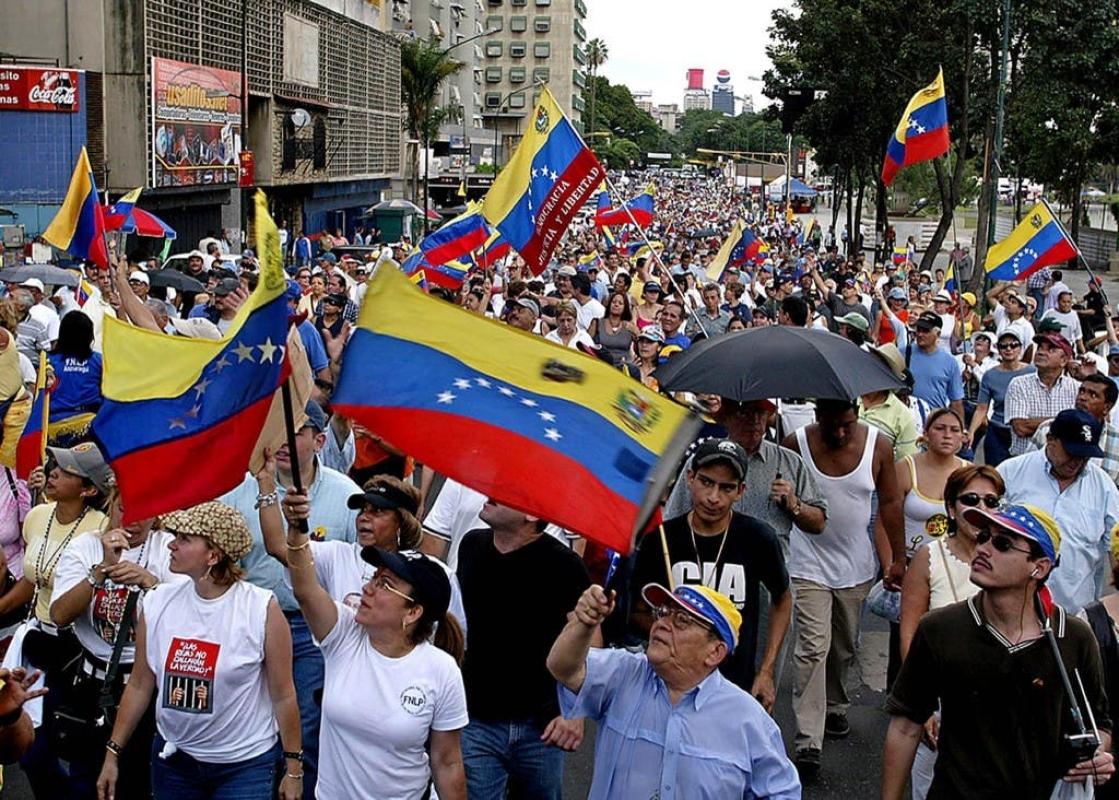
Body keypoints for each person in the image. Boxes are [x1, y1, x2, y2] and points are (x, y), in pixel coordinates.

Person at [882, 503, 1115, 800]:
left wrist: (1096, 757)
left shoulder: (1073, 637)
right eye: (983, 537)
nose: (983, 548)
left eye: (1002, 544)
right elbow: (905, 726)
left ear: (1039, 567)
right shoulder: (940, 628)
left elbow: (1099, 723)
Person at [96, 501, 302, 800]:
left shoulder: (260, 608)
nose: (171, 545)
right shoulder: (157, 602)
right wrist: (112, 754)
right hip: (174, 761)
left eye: (184, 539)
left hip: (244, 766)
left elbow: (283, 694)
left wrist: (294, 769)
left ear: (213, 555)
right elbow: (140, 684)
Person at [547, 582, 801, 799]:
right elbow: (563, 668)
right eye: (663, 613)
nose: (662, 624)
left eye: (681, 620)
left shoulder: (748, 719)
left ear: (715, 652)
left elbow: (782, 792)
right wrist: (584, 623)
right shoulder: (624, 674)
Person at [221, 399, 361, 795]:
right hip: (249, 623)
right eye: (279, 430)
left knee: (304, 725)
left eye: (297, 431)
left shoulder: (347, 497)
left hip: (311, 632)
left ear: (319, 441)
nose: (283, 440)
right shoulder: (238, 490)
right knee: (247, 721)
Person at [286, 522, 468, 799]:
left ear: (413, 613)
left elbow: (447, 762)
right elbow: (305, 590)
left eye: (384, 584)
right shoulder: (344, 634)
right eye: (374, 577)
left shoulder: (441, 670)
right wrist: (297, 526)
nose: (367, 588)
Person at [783, 398, 904, 777]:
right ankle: (808, 740)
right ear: (817, 417)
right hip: (807, 562)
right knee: (811, 648)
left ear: (857, 416)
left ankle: (835, 703)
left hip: (855, 565)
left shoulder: (878, 446)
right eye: (831, 424)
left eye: (847, 425)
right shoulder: (796, 443)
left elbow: (890, 503)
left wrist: (897, 558)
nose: (838, 433)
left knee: (844, 645)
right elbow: (781, 498)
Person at [631, 439, 792, 708]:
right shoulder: (661, 540)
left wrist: (766, 670)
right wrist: (677, 635)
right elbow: (638, 611)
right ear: (690, 478)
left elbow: (783, 598)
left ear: (740, 491)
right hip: (669, 685)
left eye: (726, 487)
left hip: (734, 688)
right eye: (706, 482)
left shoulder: (758, 538)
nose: (714, 497)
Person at [49, 485, 183, 798]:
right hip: (92, 684)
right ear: (111, 504)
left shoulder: (168, 548)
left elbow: (188, 620)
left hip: (147, 685)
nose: (132, 520)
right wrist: (99, 573)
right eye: (124, 508)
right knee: (87, 780)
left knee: (140, 782)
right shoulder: (85, 546)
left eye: (143, 511)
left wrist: (150, 583)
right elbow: (59, 615)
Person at [455, 499, 589, 799]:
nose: (490, 494)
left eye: (506, 493)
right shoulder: (471, 546)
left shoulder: (565, 566)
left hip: (542, 727)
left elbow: (591, 647)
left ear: (532, 514)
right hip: (477, 719)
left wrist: (577, 710)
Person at [898, 464, 1004, 799]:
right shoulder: (929, 558)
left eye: (991, 501)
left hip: (997, 708)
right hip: (941, 703)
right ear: (951, 507)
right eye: (971, 500)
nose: (981, 508)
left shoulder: (1011, 560)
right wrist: (922, 704)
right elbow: (910, 634)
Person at [876, 408, 968, 686]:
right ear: (925, 435)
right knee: (906, 636)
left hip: (952, 569)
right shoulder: (905, 468)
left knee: (950, 635)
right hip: (909, 568)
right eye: (940, 428)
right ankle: (901, 696)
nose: (947, 435)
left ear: (963, 438)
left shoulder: (969, 473)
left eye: (954, 430)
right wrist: (890, 564)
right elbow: (883, 520)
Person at [998, 408, 1119, 612]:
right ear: (1050, 440)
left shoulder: (1104, 488)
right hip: (1009, 607)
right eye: (1071, 452)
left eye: (1085, 455)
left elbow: (1115, 548)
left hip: (1073, 614)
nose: (1077, 461)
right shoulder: (1010, 473)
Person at [1004, 332, 1080, 456]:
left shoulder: (1076, 388)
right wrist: (1066, 423)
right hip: (1026, 460)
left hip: (1063, 461)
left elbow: (1084, 426)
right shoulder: (1019, 384)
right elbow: (1021, 427)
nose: (1041, 352)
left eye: (1051, 349)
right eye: (1040, 347)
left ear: (1063, 360)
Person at [47, 311, 103, 446]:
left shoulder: (48, 360)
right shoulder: (99, 361)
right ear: (89, 335)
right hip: (89, 428)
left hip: (51, 428)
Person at [907, 312, 965, 421]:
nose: (920, 334)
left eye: (926, 331)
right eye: (918, 329)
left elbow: (956, 402)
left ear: (938, 334)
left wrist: (959, 427)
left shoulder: (950, 362)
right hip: (907, 418)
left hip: (934, 420)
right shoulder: (904, 353)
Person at [587, 291, 638, 367]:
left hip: (624, 367)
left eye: (620, 303)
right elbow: (586, 345)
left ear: (625, 307)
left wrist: (636, 332)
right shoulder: (597, 323)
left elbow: (641, 345)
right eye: (613, 302)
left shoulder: (629, 326)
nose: (616, 305)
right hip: (601, 366)